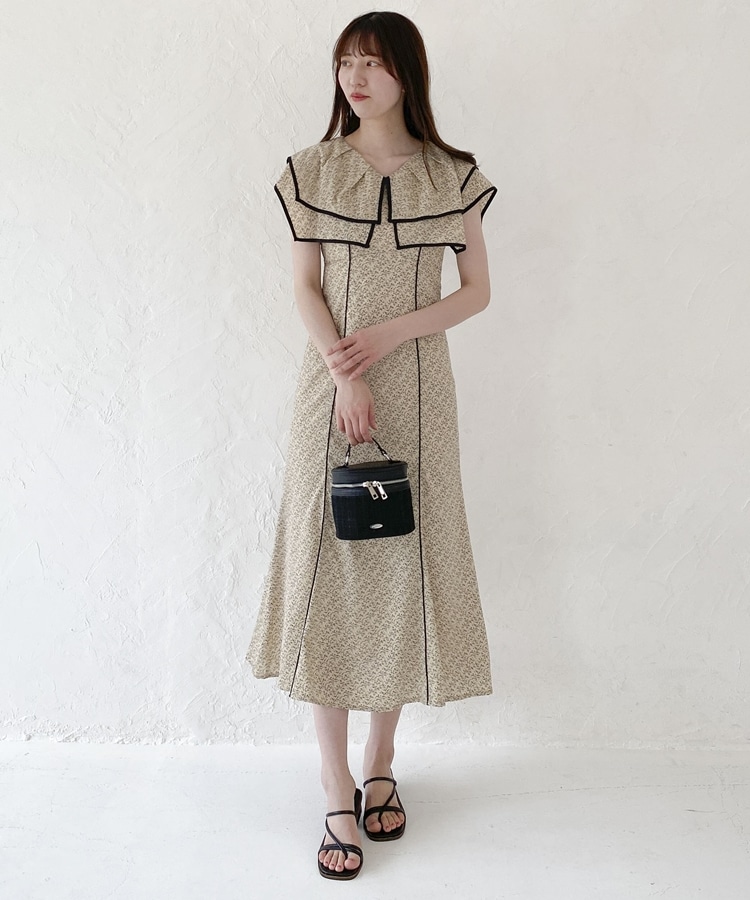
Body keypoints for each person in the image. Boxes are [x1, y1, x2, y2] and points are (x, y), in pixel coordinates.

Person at [246, 10, 496, 881]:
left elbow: (476, 291)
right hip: (332, 391)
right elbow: (305, 287)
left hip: (420, 393)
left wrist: (390, 337)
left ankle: (382, 762)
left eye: (374, 63)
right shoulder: (312, 170)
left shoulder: (452, 175)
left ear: (406, 74)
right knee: (330, 568)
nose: (356, 78)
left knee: (400, 566)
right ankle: (334, 782)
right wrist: (347, 371)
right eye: (346, 62)